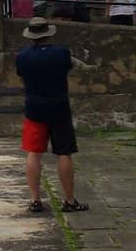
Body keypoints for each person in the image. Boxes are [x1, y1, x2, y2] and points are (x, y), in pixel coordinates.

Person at [15, 16, 89, 213]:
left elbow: (22, 78)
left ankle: (35, 200)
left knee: (34, 153)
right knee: (64, 153)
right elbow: (67, 70)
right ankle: (69, 200)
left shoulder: (22, 57)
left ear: (30, 36)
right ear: (48, 34)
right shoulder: (62, 53)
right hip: (59, 107)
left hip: (34, 108)